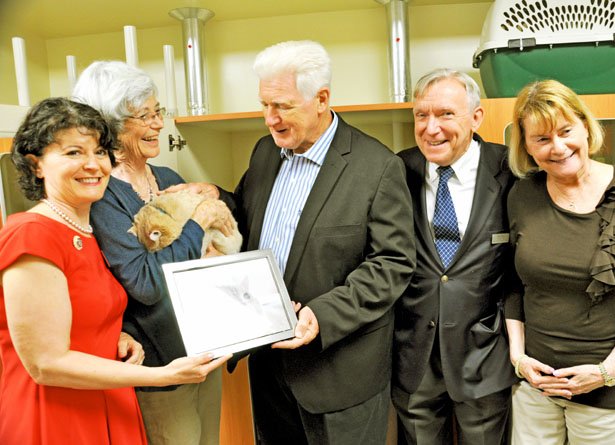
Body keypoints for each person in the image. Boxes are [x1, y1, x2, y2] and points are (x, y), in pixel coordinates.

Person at [0, 97, 228, 445]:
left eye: (100, 151)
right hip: (58, 413)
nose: (93, 165)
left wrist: (117, 338)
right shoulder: (31, 235)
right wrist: (160, 375)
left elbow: (79, 318)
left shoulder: (86, 232)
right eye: (73, 153)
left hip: (105, 396)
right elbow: (44, 362)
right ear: (37, 166)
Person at [234, 40, 416, 445]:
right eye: (264, 105)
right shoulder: (265, 152)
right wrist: (212, 197)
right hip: (268, 368)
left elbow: (393, 263)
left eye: (282, 106)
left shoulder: (377, 166)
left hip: (339, 374)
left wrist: (322, 314)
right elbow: (248, 216)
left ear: (321, 99)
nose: (270, 119)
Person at [72, 61, 238, 445]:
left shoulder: (170, 180)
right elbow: (146, 284)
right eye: (145, 115)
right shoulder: (104, 196)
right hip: (161, 369)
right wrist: (196, 224)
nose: (159, 124)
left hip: (204, 354)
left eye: (158, 111)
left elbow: (207, 259)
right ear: (113, 126)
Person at [505, 79, 615, 445]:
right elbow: (513, 284)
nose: (558, 148)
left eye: (565, 131)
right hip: (535, 387)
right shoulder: (521, 195)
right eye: (542, 139)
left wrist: (606, 372)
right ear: (527, 146)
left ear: (585, 126)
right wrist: (519, 360)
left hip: (607, 389)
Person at [392, 68, 518, 445]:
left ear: (476, 117)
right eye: (421, 115)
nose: (431, 128)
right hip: (413, 358)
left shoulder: (512, 170)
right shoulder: (397, 171)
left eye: (446, 114)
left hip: (484, 356)